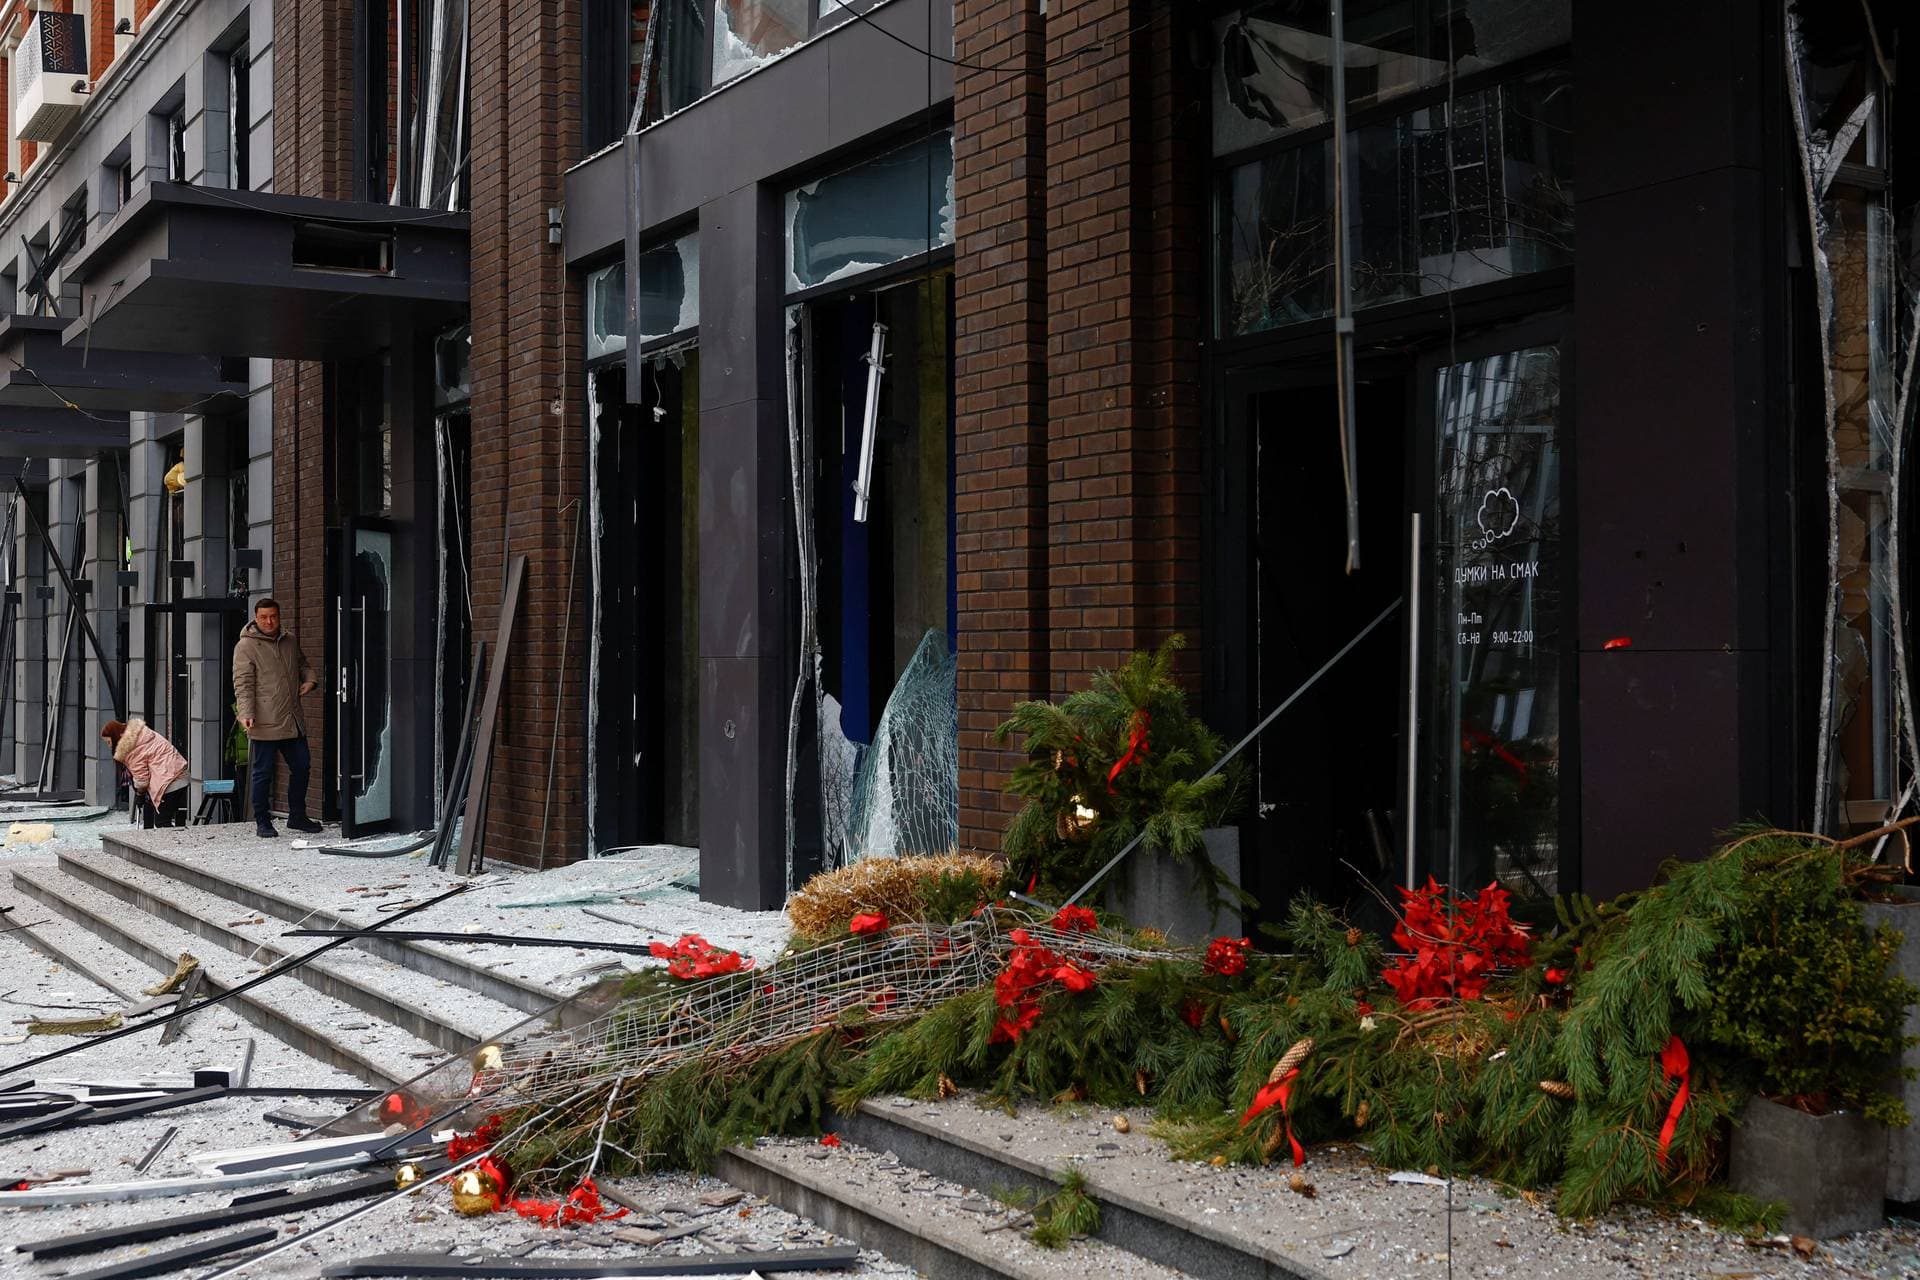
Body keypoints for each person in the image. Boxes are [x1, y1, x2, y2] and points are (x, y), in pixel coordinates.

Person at [233, 596, 321, 838]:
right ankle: (262, 821)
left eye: (273, 616)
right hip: (264, 718)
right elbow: (243, 683)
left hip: (292, 717)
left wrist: (310, 680)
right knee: (263, 773)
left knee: (302, 766)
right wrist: (246, 713)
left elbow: (302, 664)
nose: (269, 621)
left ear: (279, 616)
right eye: (263, 617)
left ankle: (297, 816)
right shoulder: (245, 646)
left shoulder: (289, 639)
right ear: (255, 617)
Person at [101, 719, 189, 828]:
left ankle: (175, 844)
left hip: (169, 781)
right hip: (179, 773)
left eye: (109, 742)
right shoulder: (142, 734)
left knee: (162, 822)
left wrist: (139, 794)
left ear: (116, 736)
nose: (109, 746)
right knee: (175, 818)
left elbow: (142, 779)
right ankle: (179, 841)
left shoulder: (131, 748)